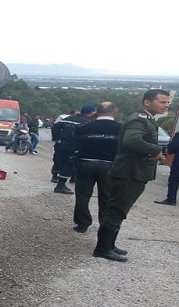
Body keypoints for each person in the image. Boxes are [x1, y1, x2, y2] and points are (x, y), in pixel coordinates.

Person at [92, 89, 170, 262]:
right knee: (116, 211)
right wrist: (156, 150)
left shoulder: (146, 120)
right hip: (128, 172)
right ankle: (103, 248)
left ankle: (110, 245)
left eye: (168, 102)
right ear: (147, 103)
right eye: (162, 102)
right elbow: (132, 141)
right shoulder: (139, 120)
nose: (166, 106)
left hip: (132, 172)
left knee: (119, 210)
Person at [71, 102, 121, 233]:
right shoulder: (121, 128)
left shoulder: (83, 127)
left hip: (85, 164)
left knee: (82, 196)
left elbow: (75, 141)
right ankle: (104, 225)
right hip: (109, 166)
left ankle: (82, 224)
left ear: (96, 112)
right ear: (115, 113)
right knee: (107, 197)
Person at [51, 104, 96, 193]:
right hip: (74, 146)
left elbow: (55, 126)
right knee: (69, 164)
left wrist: (57, 139)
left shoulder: (69, 118)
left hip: (62, 144)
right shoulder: (87, 122)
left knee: (59, 161)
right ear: (91, 112)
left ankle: (57, 177)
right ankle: (60, 185)